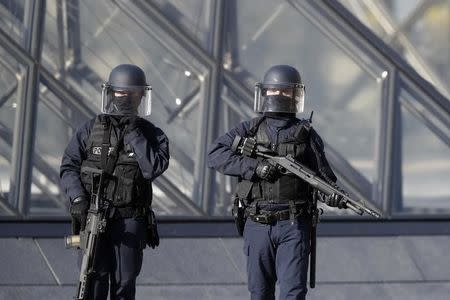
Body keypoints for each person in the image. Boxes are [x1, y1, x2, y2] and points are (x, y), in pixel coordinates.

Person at [207, 65, 345, 300]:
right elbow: (215, 155)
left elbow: (322, 178)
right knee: (259, 293)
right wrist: (255, 168)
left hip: (293, 224)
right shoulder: (249, 130)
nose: (280, 97)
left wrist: (333, 196)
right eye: (275, 91)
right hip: (257, 222)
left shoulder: (306, 134)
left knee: (293, 293)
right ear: (266, 94)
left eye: (285, 92)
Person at [60, 64, 170, 299]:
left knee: (124, 285)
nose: (124, 100)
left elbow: (153, 168)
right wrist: (78, 198)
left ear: (141, 96)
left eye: (131, 95)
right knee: (92, 282)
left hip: (130, 221)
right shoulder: (90, 129)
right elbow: (69, 166)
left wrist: (133, 134)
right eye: (120, 94)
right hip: (94, 217)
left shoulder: (152, 134)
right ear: (110, 94)